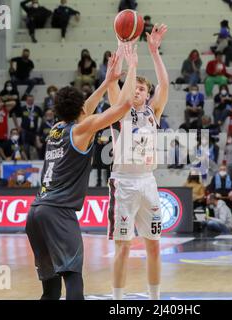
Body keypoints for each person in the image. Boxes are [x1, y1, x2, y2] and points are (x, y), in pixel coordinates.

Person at [25, 43, 137, 300]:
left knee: (51, 291)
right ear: (80, 110)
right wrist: (132, 68)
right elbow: (125, 105)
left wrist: (106, 81)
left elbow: (84, 108)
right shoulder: (81, 130)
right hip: (58, 214)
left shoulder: (57, 128)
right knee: (74, 278)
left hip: (36, 213)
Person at [106, 24, 169, 300]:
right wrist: (123, 47)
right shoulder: (120, 110)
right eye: (135, 88)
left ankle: (154, 299)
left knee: (154, 245)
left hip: (148, 182)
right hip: (124, 184)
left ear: (147, 94)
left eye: (142, 89)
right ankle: (118, 300)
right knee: (124, 246)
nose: (137, 92)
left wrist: (154, 52)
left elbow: (165, 84)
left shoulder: (154, 112)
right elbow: (115, 85)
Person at [16, 95, 43, 159]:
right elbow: (14, 114)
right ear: (26, 100)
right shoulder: (22, 108)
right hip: (25, 131)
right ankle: (27, 160)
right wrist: (17, 126)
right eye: (29, 100)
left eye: (31, 100)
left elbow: (43, 117)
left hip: (35, 131)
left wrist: (41, 126)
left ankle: (40, 160)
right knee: (25, 147)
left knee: (37, 146)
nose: (30, 101)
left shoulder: (37, 108)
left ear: (33, 100)